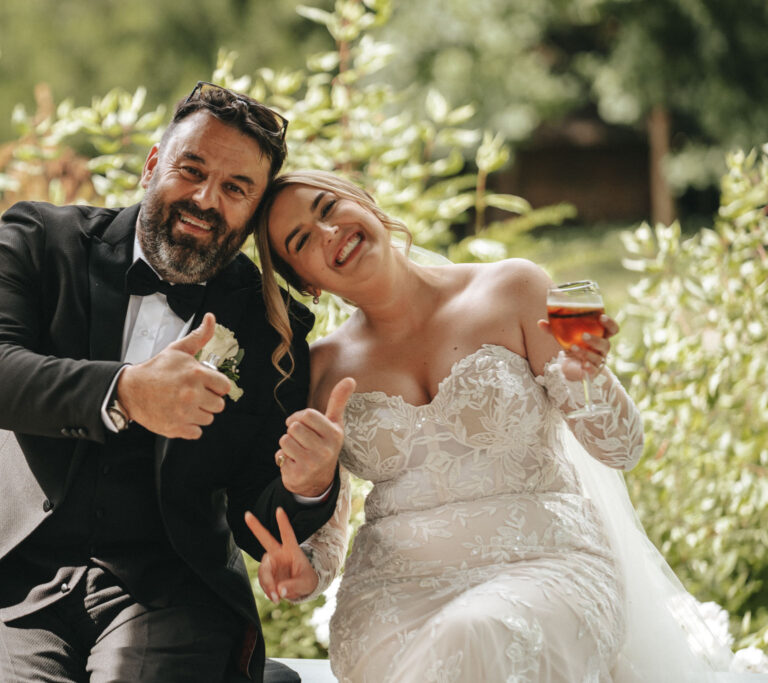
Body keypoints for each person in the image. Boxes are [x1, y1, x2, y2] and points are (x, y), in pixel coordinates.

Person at [0, 85, 345, 683]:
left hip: (171, 592)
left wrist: (308, 486)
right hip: (7, 578)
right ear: (153, 165)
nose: (207, 199)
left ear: (254, 211)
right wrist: (125, 391)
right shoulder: (36, 239)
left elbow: (257, 512)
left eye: (236, 189)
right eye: (192, 169)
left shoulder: (269, 325)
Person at [244, 170, 737, 682]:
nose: (328, 233)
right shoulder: (321, 368)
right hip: (393, 598)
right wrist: (302, 574)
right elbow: (326, 536)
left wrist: (587, 377)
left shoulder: (516, 287)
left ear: (365, 203)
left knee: (475, 634)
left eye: (328, 208)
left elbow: (622, 449)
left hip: (549, 565)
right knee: (453, 642)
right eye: (301, 240)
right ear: (305, 282)